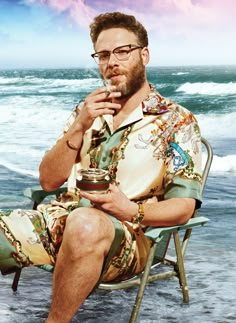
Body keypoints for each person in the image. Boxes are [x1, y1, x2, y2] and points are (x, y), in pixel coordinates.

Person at [0, 11, 202, 322]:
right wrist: (79, 126)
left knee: (86, 223)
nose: (112, 62)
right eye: (104, 54)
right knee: (76, 220)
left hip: (126, 239)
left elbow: (184, 207)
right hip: (59, 224)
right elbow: (49, 180)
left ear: (144, 55)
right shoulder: (88, 110)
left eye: (123, 51)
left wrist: (130, 210)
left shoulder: (176, 122)